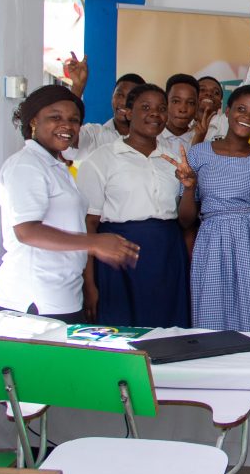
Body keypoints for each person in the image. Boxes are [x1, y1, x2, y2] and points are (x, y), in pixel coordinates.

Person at [0, 85, 139, 321]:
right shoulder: (26, 165)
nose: (67, 126)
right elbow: (27, 231)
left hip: (62, 292)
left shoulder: (56, 165)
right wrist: (95, 242)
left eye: (74, 120)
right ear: (33, 122)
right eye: (55, 117)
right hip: (34, 296)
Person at [166, 85, 250, 334]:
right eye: (241, 109)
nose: (247, 117)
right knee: (212, 316)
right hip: (212, 241)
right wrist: (189, 188)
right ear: (228, 111)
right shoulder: (199, 153)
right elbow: (186, 219)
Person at [77, 84, 189, 327]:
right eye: (145, 107)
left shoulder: (175, 158)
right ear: (128, 112)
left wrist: (189, 186)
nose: (155, 114)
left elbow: (186, 216)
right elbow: (89, 224)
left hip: (167, 253)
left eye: (161, 108)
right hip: (120, 254)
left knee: (169, 330)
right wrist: (89, 284)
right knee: (123, 330)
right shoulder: (101, 158)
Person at [197, 0, 250, 142]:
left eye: (216, 92)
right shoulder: (179, 125)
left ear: (222, 102)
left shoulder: (228, 120)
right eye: (202, 90)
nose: (209, 93)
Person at [66, 72, 145, 162]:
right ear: (112, 96)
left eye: (132, 98)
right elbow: (69, 137)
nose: (124, 103)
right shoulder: (94, 135)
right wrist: (77, 87)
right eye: (120, 95)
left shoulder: (153, 138)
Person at [162, 74, 200, 153]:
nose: (183, 109)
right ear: (165, 103)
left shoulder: (202, 142)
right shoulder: (151, 139)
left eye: (190, 103)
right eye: (175, 101)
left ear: (197, 107)